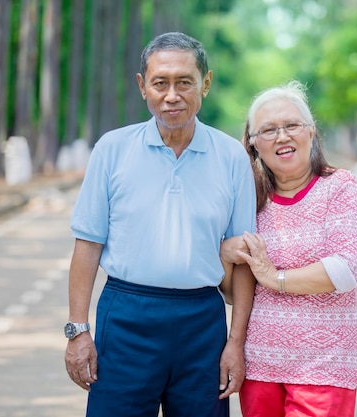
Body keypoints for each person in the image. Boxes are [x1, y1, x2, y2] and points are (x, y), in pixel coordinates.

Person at [64, 32, 256, 417]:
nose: (172, 95)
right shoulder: (112, 150)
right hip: (126, 316)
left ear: (206, 83)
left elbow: (245, 255)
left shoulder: (232, 156)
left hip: (202, 321)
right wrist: (77, 330)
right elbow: (87, 246)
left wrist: (236, 342)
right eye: (160, 83)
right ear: (142, 87)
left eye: (184, 82)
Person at [221, 80, 357, 417]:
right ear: (254, 143)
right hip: (259, 365)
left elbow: (345, 270)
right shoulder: (249, 202)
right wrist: (223, 254)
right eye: (268, 130)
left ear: (311, 132)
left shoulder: (339, 187)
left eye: (291, 125)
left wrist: (274, 278)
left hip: (324, 366)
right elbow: (233, 293)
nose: (282, 136)